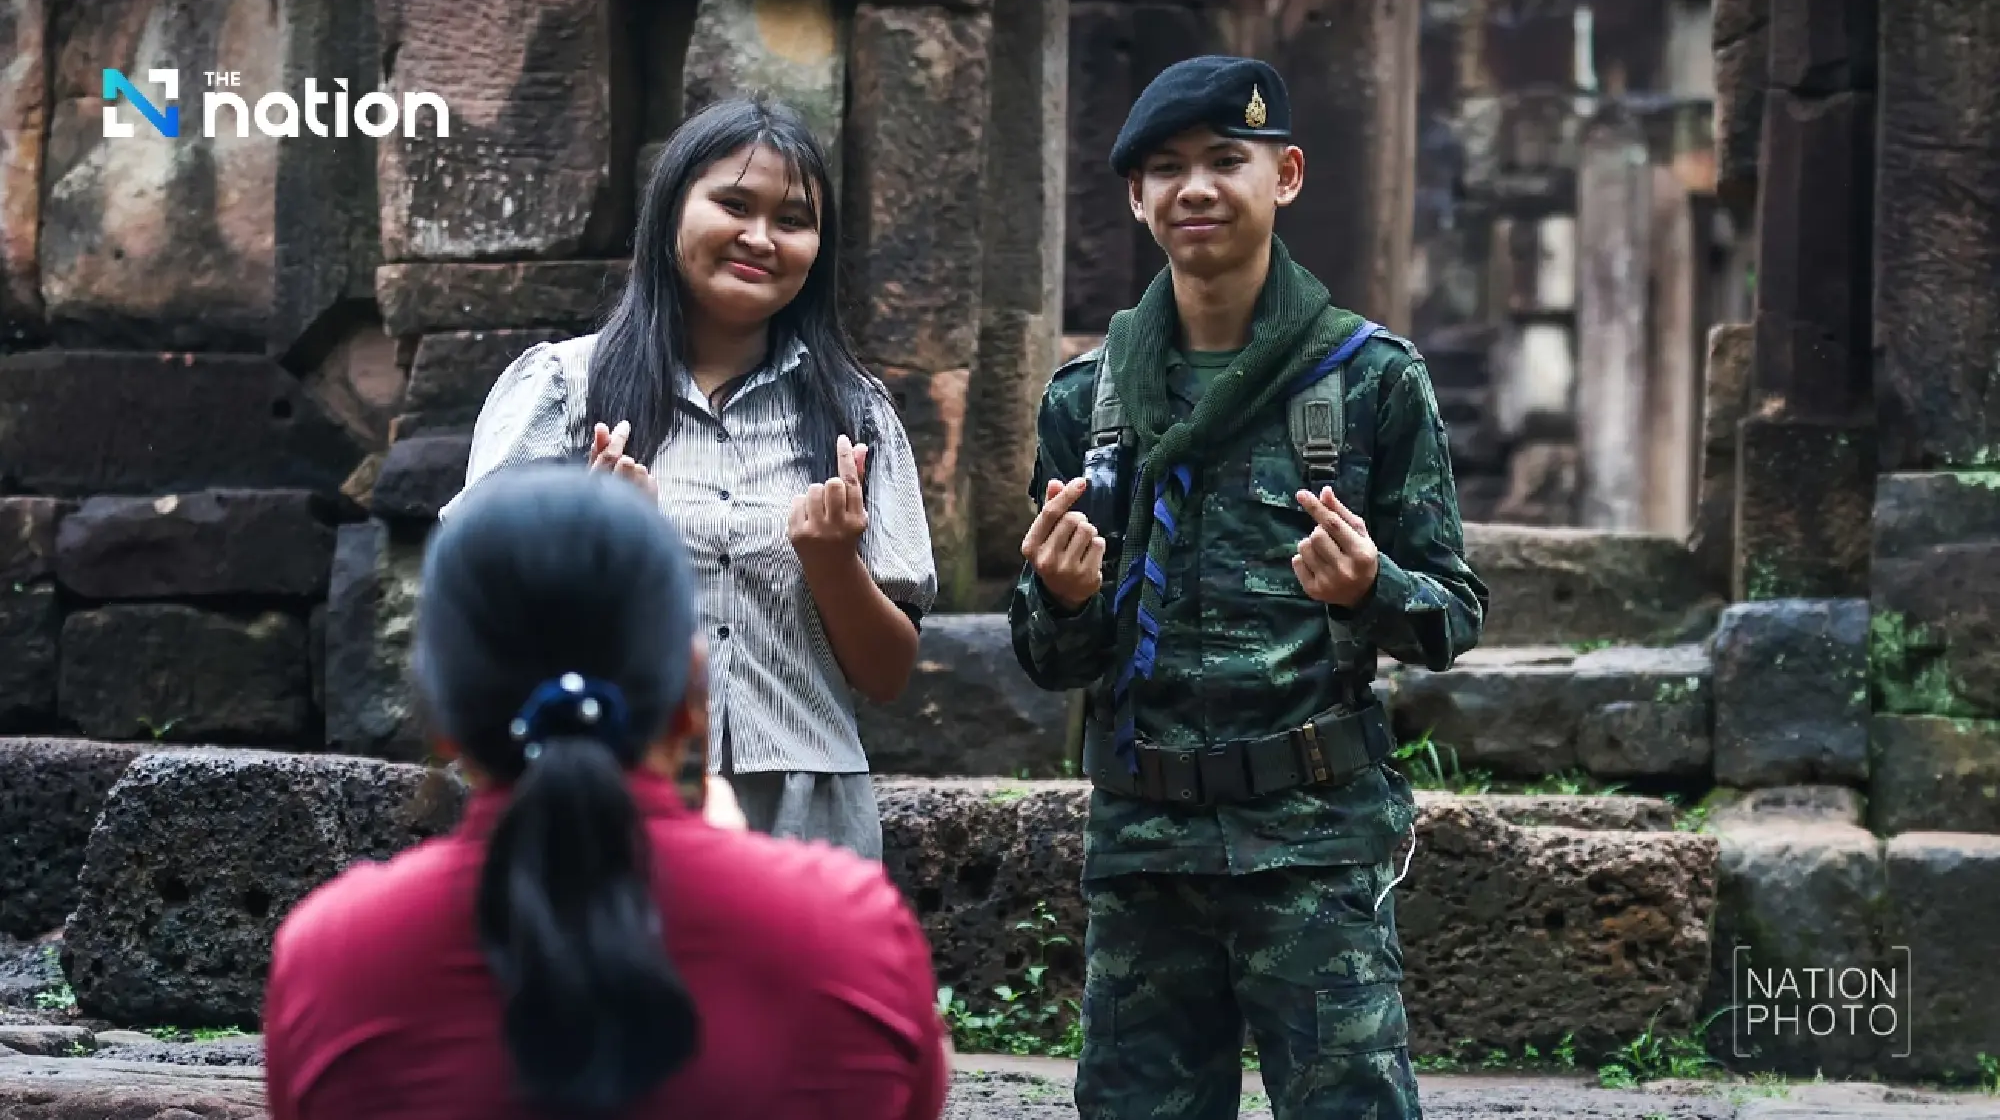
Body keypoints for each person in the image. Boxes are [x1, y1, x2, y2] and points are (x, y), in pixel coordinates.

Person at [1009, 56, 1488, 1119]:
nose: (1196, 189)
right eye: (1165, 168)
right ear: (1134, 197)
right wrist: (1064, 598)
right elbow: (1046, 659)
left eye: (1227, 159)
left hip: (1311, 840)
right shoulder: (1087, 401)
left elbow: (1451, 612)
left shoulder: (1370, 381)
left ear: (1287, 175)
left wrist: (1371, 585)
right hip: (1143, 849)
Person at [262, 465, 950, 1120]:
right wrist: (766, 884)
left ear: (442, 717)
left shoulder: (335, 959)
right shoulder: (852, 933)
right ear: (691, 695)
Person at [439, 95, 937, 860]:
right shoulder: (565, 390)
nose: (761, 237)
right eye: (733, 204)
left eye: (793, 219)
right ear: (672, 209)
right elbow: (479, 618)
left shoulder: (855, 415)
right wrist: (599, 550)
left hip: (807, 816)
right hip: (605, 794)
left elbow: (888, 675)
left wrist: (834, 562)